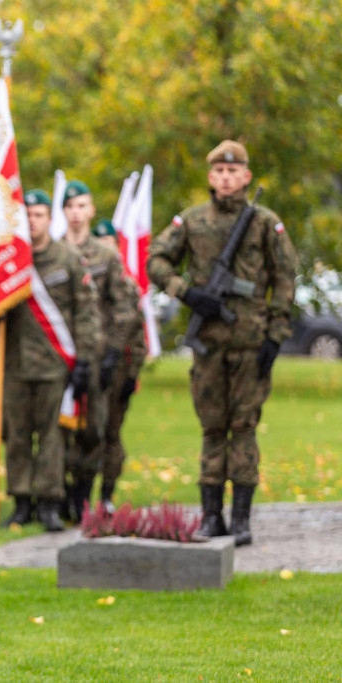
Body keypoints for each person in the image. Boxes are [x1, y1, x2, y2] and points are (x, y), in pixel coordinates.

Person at [147, 140, 296, 546]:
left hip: (251, 341)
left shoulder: (264, 222)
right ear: (210, 177)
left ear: (246, 176)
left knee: (244, 427)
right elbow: (156, 259)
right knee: (212, 428)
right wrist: (186, 291)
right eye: (219, 171)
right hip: (209, 343)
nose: (227, 178)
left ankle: (242, 519)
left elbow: (285, 276)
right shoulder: (192, 221)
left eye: (234, 171)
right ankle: (211, 516)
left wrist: (276, 335)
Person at [3, 190, 99, 531]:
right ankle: (20, 501)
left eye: (39, 215)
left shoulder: (68, 258)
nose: (33, 221)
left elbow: (86, 313)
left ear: (49, 218)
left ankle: (48, 503)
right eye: (27, 215)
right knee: (16, 436)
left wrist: (85, 360)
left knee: (51, 437)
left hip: (54, 365)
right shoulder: (9, 262)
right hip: (14, 363)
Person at [62, 181, 135, 519]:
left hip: (97, 355)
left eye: (82, 206)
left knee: (95, 429)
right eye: (70, 206)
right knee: (59, 430)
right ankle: (57, 496)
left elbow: (123, 308)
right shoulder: (52, 251)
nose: (76, 213)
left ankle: (84, 497)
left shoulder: (107, 256)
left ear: (91, 210)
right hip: (59, 355)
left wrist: (113, 353)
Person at [92, 218, 148, 512]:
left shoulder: (127, 286)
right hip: (89, 365)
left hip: (118, 370)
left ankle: (107, 493)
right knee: (87, 432)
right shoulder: (87, 280)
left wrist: (132, 374)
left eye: (108, 243)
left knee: (111, 433)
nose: (103, 248)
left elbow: (137, 335)